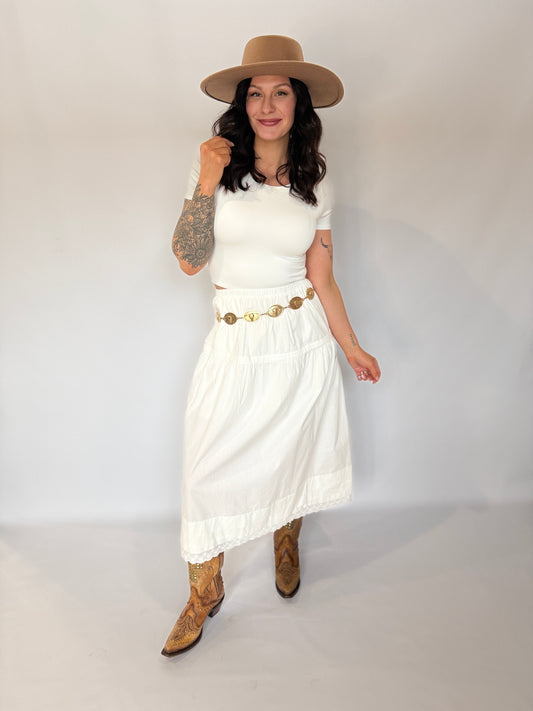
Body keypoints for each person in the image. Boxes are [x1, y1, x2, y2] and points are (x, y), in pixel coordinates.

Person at [161, 35, 381, 657]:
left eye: (281, 92)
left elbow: (322, 276)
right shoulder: (213, 165)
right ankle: (204, 591)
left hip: (300, 336)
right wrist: (207, 180)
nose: (267, 105)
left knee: (292, 449)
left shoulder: (316, 178)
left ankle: (287, 542)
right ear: (241, 103)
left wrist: (352, 347)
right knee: (206, 470)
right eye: (255, 93)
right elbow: (188, 260)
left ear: (298, 103)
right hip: (236, 335)